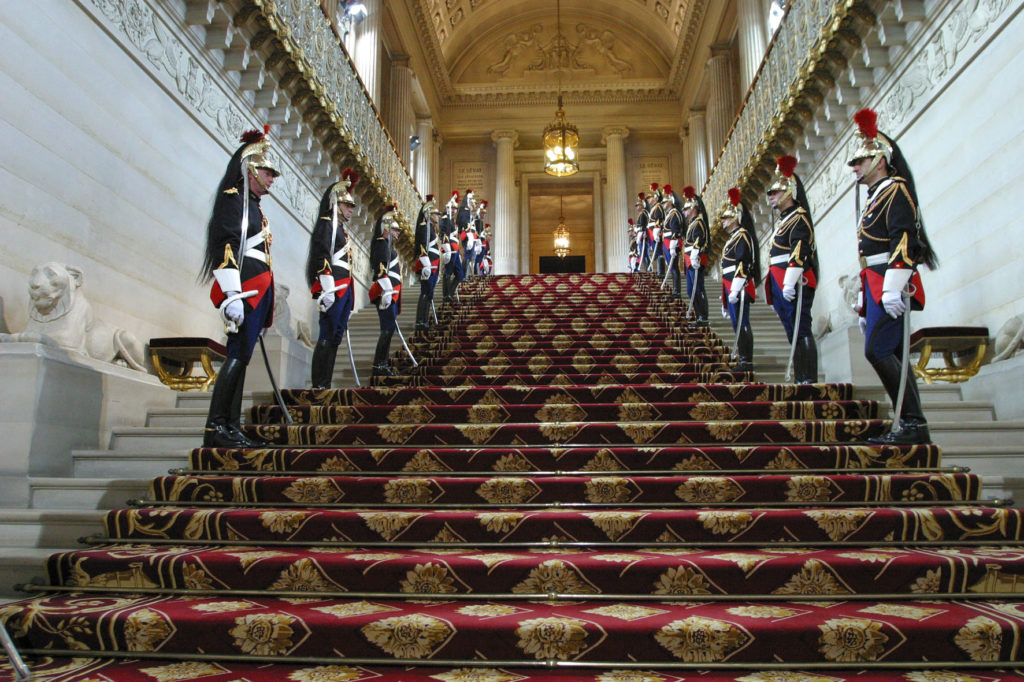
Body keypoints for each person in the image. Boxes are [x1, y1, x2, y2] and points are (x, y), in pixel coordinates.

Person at [849, 108, 937, 444]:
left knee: (878, 351)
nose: (855, 168)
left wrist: (893, 288)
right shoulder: (876, 198)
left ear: (880, 159)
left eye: (860, 160)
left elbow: (903, 242)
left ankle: (913, 421)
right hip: (875, 281)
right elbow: (867, 252)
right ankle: (912, 423)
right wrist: (863, 299)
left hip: (891, 280)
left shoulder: (896, 191)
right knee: (891, 353)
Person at [199, 126, 280, 447]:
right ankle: (215, 427)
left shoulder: (254, 207)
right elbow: (227, 246)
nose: (272, 178)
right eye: (267, 171)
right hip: (244, 288)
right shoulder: (233, 200)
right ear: (250, 168)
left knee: (243, 357)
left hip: (257, 289)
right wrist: (231, 292)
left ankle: (231, 425)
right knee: (236, 355)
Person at [765, 155, 819, 384]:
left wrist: (789, 281)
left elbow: (798, 251)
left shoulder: (799, 218)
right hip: (781, 278)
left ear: (789, 193)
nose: (770, 198)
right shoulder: (785, 220)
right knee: (792, 329)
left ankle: (808, 378)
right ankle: (801, 375)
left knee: (801, 327)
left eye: (775, 193)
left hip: (794, 279)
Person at [306, 169, 358, 389]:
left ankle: (326, 381)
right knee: (327, 333)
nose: (351, 210)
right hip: (333, 285)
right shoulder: (328, 223)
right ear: (337, 204)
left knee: (335, 335)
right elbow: (322, 254)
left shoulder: (341, 230)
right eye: (348, 206)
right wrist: (327, 288)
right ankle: (319, 383)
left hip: (344, 286)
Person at [719, 187, 761, 372]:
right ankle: (743, 359)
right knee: (737, 323)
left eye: (726, 218)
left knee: (742, 322)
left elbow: (743, 262)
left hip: (739, 284)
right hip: (730, 283)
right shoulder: (732, 238)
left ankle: (746, 360)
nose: (722, 222)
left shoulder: (742, 235)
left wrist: (735, 288)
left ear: (735, 218)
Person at [369, 205, 403, 380]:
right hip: (386, 292)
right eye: (395, 229)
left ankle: (382, 362)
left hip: (392, 291)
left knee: (389, 330)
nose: (398, 233)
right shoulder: (382, 244)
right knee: (386, 330)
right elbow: (381, 269)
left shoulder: (389, 247)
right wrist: (388, 291)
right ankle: (379, 364)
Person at [681, 185, 710, 324]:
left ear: (693, 208)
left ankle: (703, 316)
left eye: (686, 209)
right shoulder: (691, 224)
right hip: (689, 260)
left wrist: (695, 252)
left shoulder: (699, 222)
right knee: (690, 290)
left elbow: (700, 239)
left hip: (695, 259)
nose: (684, 212)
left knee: (698, 289)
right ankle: (698, 313)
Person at [414, 194, 441, 336]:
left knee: (429, 294)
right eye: (435, 214)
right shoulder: (425, 227)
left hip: (434, 264)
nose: (437, 216)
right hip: (429, 264)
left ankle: (424, 320)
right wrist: (426, 264)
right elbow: (423, 246)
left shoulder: (431, 228)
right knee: (425, 293)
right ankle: (421, 322)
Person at [660, 185, 684, 298]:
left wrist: (674, 244)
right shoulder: (669, 214)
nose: (663, 205)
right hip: (667, 242)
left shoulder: (674, 213)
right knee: (671, 267)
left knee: (674, 268)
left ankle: (676, 291)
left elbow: (676, 230)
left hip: (671, 242)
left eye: (665, 203)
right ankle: (675, 290)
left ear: (670, 203)